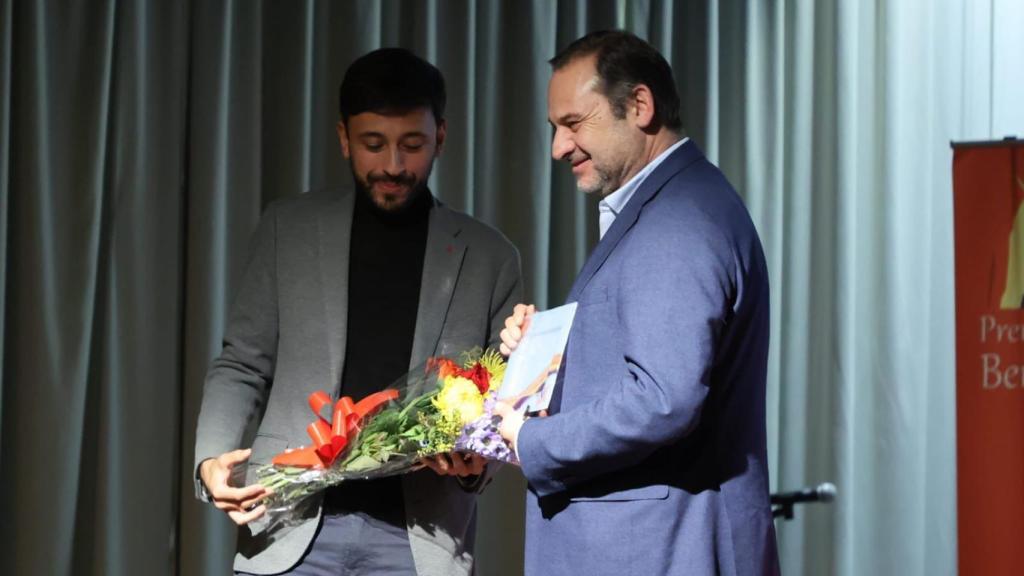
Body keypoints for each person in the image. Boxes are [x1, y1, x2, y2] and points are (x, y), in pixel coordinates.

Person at [194, 48, 522, 575]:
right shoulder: (288, 228)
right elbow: (243, 362)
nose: (393, 165)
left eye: (412, 145)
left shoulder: (491, 256)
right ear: (345, 138)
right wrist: (210, 458)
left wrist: (472, 464)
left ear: (440, 136)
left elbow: (500, 403)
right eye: (374, 144)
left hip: (421, 541)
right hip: (289, 530)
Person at [495, 30, 779, 575]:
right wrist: (544, 355)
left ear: (640, 106)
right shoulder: (669, 207)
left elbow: (662, 399)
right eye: (554, 128)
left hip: (655, 550)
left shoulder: (678, 222)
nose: (558, 147)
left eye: (574, 124)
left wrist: (533, 439)